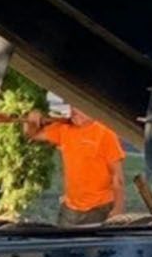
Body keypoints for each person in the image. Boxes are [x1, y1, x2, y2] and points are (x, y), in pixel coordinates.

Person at [23, 94, 126, 226]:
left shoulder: (106, 133)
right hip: (70, 208)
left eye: (80, 108)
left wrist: (118, 209)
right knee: (64, 244)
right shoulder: (64, 129)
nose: (74, 111)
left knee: (93, 246)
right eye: (73, 106)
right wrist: (32, 121)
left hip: (99, 208)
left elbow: (117, 176)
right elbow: (33, 135)